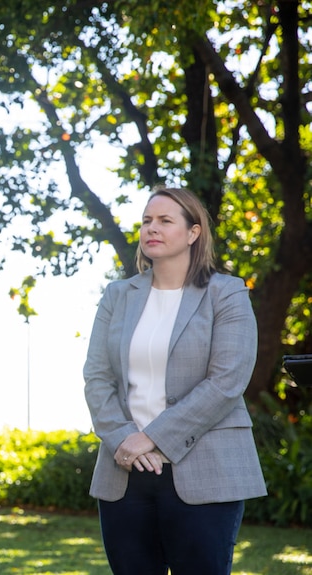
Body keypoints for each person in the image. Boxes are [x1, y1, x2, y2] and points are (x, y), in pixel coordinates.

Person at [83, 186, 267, 575]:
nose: (153, 228)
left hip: (207, 472)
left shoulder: (227, 293)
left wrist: (150, 437)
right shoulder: (117, 296)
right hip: (124, 471)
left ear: (193, 232)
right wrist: (123, 439)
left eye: (166, 220)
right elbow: (96, 377)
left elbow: (226, 382)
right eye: (147, 220)